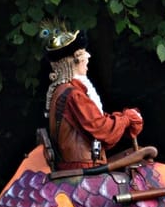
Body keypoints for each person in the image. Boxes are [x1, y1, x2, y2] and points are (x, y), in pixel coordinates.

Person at [40, 22, 143, 170]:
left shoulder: (62, 90)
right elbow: (101, 129)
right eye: (83, 52)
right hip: (84, 169)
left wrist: (122, 119)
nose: (88, 56)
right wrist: (127, 118)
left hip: (77, 168)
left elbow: (95, 121)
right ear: (74, 60)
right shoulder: (74, 95)